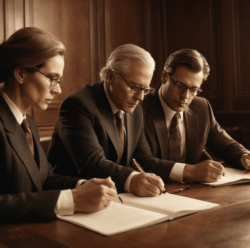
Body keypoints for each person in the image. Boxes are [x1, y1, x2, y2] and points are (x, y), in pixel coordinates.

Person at [0, 27, 117, 222]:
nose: (58, 90)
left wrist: (84, 186)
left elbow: (43, 179)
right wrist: (73, 200)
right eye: (52, 78)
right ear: (20, 73)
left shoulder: (28, 123)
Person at [47, 44, 171, 197]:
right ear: (111, 76)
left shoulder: (136, 109)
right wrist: (132, 180)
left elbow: (144, 159)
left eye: (145, 89)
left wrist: (188, 171)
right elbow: (92, 164)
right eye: (135, 87)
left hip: (115, 197)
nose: (140, 97)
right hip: (74, 199)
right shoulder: (78, 104)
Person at [142, 49, 250, 183]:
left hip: (192, 193)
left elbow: (225, 145)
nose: (185, 96)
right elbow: (144, 161)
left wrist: (244, 156)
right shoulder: (139, 108)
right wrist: (190, 171)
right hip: (150, 191)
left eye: (194, 89)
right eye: (180, 85)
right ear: (164, 76)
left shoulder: (202, 107)